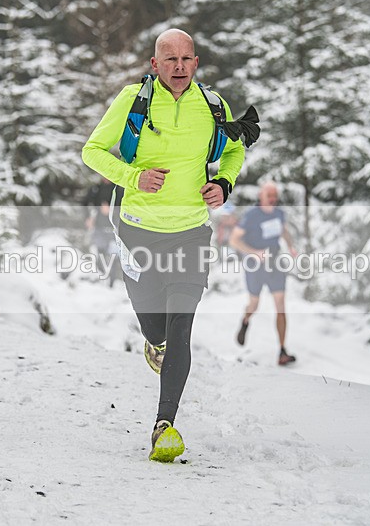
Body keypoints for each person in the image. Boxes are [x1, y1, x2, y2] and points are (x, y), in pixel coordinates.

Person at [81, 29, 255, 462]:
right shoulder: (132, 101)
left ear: (196, 63)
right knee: (156, 328)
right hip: (138, 230)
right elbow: (93, 151)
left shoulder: (213, 106)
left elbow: (234, 151)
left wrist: (223, 182)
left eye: (186, 58)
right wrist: (133, 177)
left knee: (182, 325)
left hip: (192, 232)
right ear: (155, 65)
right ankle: (152, 343)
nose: (179, 66)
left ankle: (164, 426)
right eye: (169, 59)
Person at [229, 182, 298, 366]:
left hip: (275, 262)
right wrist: (254, 253)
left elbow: (283, 230)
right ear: (261, 197)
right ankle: (245, 321)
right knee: (254, 303)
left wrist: (291, 245)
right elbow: (234, 240)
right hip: (254, 265)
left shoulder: (278, 213)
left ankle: (282, 351)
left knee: (281, 305)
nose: (273, 200)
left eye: (275, 197)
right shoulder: (251, 216)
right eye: (270, 197)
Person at [84, 177, 123, 287]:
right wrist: (88, 218)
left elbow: (125, 207)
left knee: (113, 256)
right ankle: (101, 279)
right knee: (99, 252)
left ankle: (112, 281)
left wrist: (112, 211)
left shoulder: (119, 189)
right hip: (99, 227)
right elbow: (86, 203)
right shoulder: (96, 188)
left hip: (114, 228)